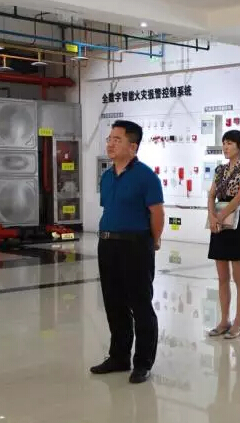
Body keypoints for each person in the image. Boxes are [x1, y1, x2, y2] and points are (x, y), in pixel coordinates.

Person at [90, 120, 164, 384]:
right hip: (107, 244)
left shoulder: (146, 176)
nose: (110, 144)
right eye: (109, 139)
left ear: (133, 146)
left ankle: (143, 362)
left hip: (135, 244)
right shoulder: (107, 176)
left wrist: (153, 241)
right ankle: (119, 356)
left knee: (140, 303)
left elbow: (157, 213)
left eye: (117, 139)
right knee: (114, 302)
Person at [207, 130, 240, 339]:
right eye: (224, 143)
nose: (225, 147)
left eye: (230, 143)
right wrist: (212, 215)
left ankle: (238, 322)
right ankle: (224, 320)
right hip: (218, 222)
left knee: (238, 276)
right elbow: (211, 194)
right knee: (222, 277)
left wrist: (221, 215)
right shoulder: (220, 170)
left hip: (235, 221)